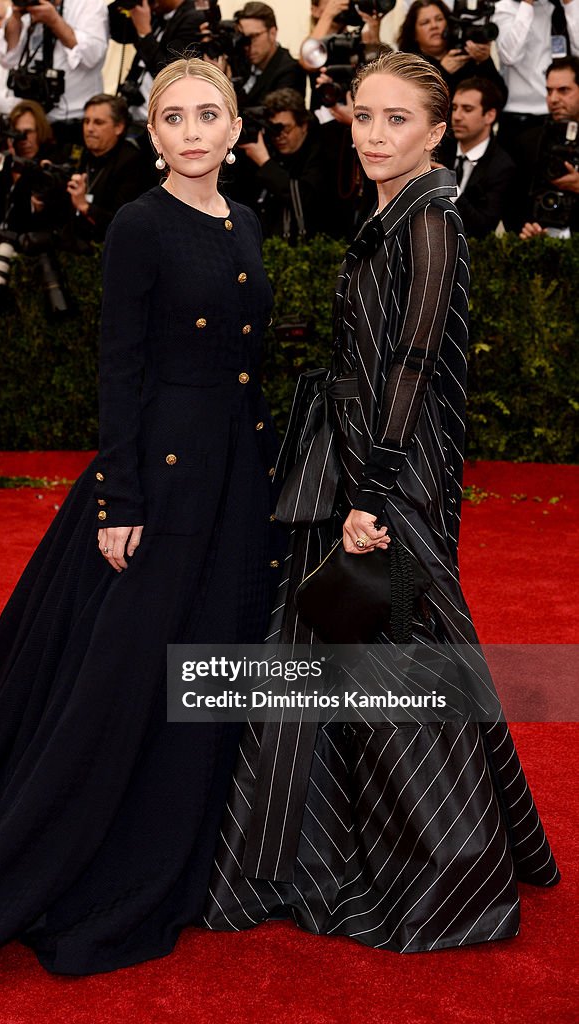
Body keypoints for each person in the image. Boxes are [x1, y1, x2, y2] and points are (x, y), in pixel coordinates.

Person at [0, 58, 282, 978]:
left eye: (211, 114)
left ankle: (180, 852)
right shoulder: (139, 224)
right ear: (154, 133)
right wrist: (120, 500)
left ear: (235, 121)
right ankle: (81, 857)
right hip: (163, 485)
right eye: (175, 118)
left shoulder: (245, 220)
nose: (195, 131)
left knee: (211, 670)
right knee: (126, 678)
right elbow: (119, 367)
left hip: (237, 484)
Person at [204, 51, 559, 951]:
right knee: (352, 645)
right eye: (363, 116)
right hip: (361, 460)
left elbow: (415, 361)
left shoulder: (431, 221)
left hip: (388, 475)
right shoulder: (393, 214)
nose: (373, 134)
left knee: (396, 656)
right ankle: (331, 847)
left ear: (441, 131)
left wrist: (373, 491)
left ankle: (448, 879)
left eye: (397, 119)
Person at [0, 0, 109, 150]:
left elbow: (92, 56)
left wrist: (54, 21)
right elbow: (5, 58)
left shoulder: (88, 4)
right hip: (34, 124)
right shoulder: (26, 4)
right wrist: (16, 16)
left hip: (74, 125)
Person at [239, 87, 333, 241]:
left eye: (286, 128)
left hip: (309, 251)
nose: (279, 136)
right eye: (273, 129)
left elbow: (305, 201)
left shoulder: (322, 152)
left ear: (303, 125)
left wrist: (264, 161)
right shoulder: (270, 148)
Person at [493, 0, 579, 159]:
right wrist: (527, 5)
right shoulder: (507, 7)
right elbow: (509, 55)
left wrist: (570, 5)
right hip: (519, 118)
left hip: (563, 116)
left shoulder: (566, 6)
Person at [67, 93, 151, 242]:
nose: (89, 129)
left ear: (118, 127)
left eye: (98, 122)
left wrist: (85, 206)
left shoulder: (132, 162)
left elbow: (125, 222)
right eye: (86, 121)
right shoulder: (81, 154)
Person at [510, 57, 579, 238]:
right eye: (549, 91)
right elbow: (512, 200)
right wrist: (526, 228)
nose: (553, 99)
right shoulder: (528, 141)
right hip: (536, 247)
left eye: (563, 90)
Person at [443, 77, 516, 237]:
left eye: (467, 109)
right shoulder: (439, 149)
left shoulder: (501, 166)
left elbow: (483, 227)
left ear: (489, 116)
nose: (457, 116)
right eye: (454, 108)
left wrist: (447, 186)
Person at [117, 0, 205, 126]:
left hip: (162, 119)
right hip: (134, 111)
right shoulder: (157, 15)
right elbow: (117, 31)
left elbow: (171, 72)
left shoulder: (193, 18)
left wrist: (144, 32)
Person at [398, 0, 506, 101]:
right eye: (425, 22)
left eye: (439, 19)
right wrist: (443, 71)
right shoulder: (408, 64)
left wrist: (485, 61)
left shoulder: (463, 55)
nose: (434, 26)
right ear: (413, 33)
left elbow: (500, 98)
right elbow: (415, 101)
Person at [235, 2, 307, 108]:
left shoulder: (290, 70)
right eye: (243, 38)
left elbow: (270, 118)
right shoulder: (240, 62)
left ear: (272, 33)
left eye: (254, 36)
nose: (247, 45)